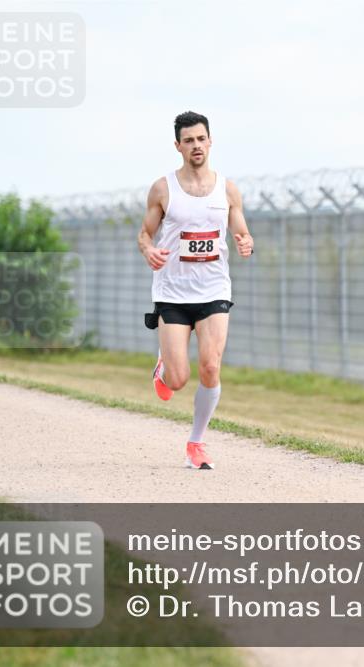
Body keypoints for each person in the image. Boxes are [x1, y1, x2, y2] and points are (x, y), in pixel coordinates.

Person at [137, 111, 254, 470]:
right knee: (178, 379)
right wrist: (149, 250)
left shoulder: (227, 189)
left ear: (210, 141)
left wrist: (246, 241)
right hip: (172, 292)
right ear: (178, 146)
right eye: (189, 140)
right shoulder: (163, 189)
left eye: (201, 138)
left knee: (210, 366)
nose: (196, 145)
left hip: (213, 290)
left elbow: (241, 231)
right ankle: (163, 368)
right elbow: (145, 234)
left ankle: (196, 444)